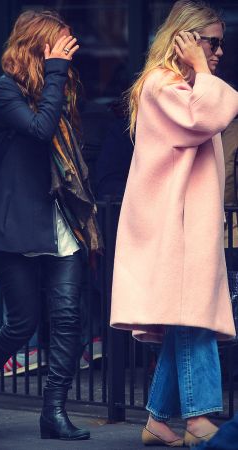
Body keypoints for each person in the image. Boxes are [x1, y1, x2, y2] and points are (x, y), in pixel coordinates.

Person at [0, 9, 102, 441]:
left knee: (68, 318)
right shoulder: (3, 91)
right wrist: (57, 71)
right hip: (17, 223)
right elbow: (39, 131)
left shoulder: (61, 89)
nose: (67, 51)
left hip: (60, 221)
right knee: (22, 322)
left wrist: (59, 76)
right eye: (59, 44)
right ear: (37, 45)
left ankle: (52, 413)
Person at [110, 0, 238, 447]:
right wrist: (201, 67)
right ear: (184, 39)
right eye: (211, 43)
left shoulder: (183, 86)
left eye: (220, 45)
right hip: (175, 225)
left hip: (186, 223)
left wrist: (200, 68)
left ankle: (159, 421)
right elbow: (211, 114)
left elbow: (212, 109)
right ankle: (199, 417)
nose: (218, 52)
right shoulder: (163, 85)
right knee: (194, 317)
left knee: (188, 317)